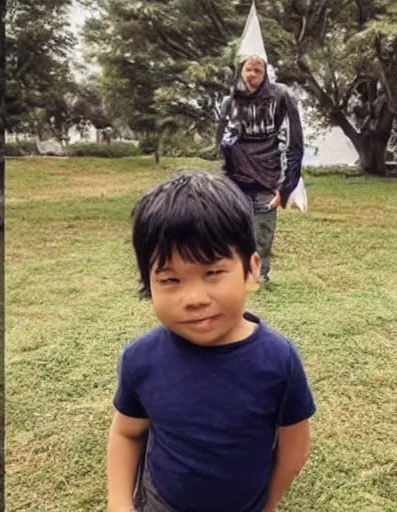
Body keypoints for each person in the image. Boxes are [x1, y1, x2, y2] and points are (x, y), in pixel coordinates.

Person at [105, 170, 315, 512]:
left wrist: (268, 504)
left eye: (213, 273)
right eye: (170, 279)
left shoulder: (278, 361)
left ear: (251, 271)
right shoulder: (141, 359)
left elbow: (295, 447)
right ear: (149, 283)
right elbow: (127, 433)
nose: (194, 298)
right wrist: (118, 502)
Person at [217, 51, 304, 284]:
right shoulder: (230, 102)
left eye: (259, 70)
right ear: (240, 70)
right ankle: (234, 272)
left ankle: (259, 275)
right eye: (249, 69)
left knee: (263, 232)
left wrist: (286, 186)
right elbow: (221, 146)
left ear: (266, 74)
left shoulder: (281, 97)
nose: (253, 74)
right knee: (234, 229)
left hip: (268, 176)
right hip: (237, 179)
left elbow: (293, 143)